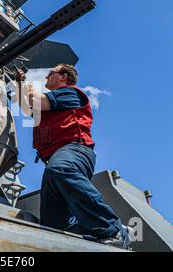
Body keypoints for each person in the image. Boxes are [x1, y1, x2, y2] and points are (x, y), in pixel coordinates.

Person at [15, 64, 134, 249]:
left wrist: (27, 87)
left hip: (74, 152)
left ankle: (112, 230)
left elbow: (33, 101)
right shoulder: (49, 104)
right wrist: (20, 84)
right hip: (55, 161)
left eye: (50, 73)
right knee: (52, 226)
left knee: (61, 170)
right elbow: (25, 108)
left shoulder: (69, 93)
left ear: (63, 77)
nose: (46, 76)